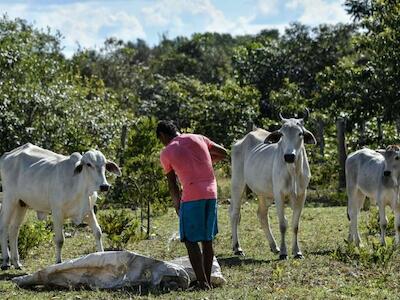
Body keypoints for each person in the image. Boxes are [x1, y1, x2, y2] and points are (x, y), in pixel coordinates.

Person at [156, 120, 228, 290]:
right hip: (211, 193)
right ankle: (207, 281)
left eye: (160, 139)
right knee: (207, 239)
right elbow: (223, 152)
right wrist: (204, 161)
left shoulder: (167, 152)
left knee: (189, 240)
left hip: (192, 195)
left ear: (162, 135)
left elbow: (172, 182)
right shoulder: (199, 138)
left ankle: (203, 283)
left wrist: (176, 204)